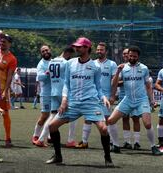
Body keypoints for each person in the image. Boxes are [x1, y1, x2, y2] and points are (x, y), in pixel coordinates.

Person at [45, 37, 113, 167]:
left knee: (104, 129)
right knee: (52, 126)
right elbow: (66, 84)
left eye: (79, 47)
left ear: (87, 48)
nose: (76, 48)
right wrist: (64, 99)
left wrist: (103, 97)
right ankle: (58, 156)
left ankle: (108, 158)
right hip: (73, 103)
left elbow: (98, 87)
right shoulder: (69, 63)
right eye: (76, 46)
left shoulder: (95, 67)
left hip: (91, 103)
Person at [107, 46, 162, 155]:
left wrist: (152, 100)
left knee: (147, 124)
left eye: (134, 56)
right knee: (110, 121)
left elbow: (148, 86)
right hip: (127, 99)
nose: (131, 58)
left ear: (138, 57)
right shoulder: (123, 68)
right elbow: (113, 84)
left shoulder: (144, 68)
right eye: (130, 56)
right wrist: (118, 72)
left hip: (142, 100)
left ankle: (153, 147)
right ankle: (116, 145)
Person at [75, 42, 119, 153]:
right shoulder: (92, 63)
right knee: (88, 118)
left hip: (106, 97)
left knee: (108, 120)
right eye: (98, 49)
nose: (99, 51)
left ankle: (113, 143)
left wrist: (113, 96)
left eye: (102, 50)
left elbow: (114, 82)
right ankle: (84, 142)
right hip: (92, 97)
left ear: (106, 51)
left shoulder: (112, 64)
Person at [34, 46, 76, 147]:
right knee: (74, 115)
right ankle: (70, 140)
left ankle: (41, 139)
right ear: (67, 53)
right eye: (70, 55)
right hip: (63, 93)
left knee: (52, 115)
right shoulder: (66, 63)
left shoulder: (51, 62)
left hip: (53, 92)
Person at [32, 45, 52, 144]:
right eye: (43, 51)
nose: (45, 52)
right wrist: (48, 73)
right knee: (45, 115)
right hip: (46, 94)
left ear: (50, 50)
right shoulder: (41, 64)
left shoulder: (54, 62)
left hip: (55, 93)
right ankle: (35, 135)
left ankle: (49, 135)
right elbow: (40, 77)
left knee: (54, 116)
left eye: (46, 50)